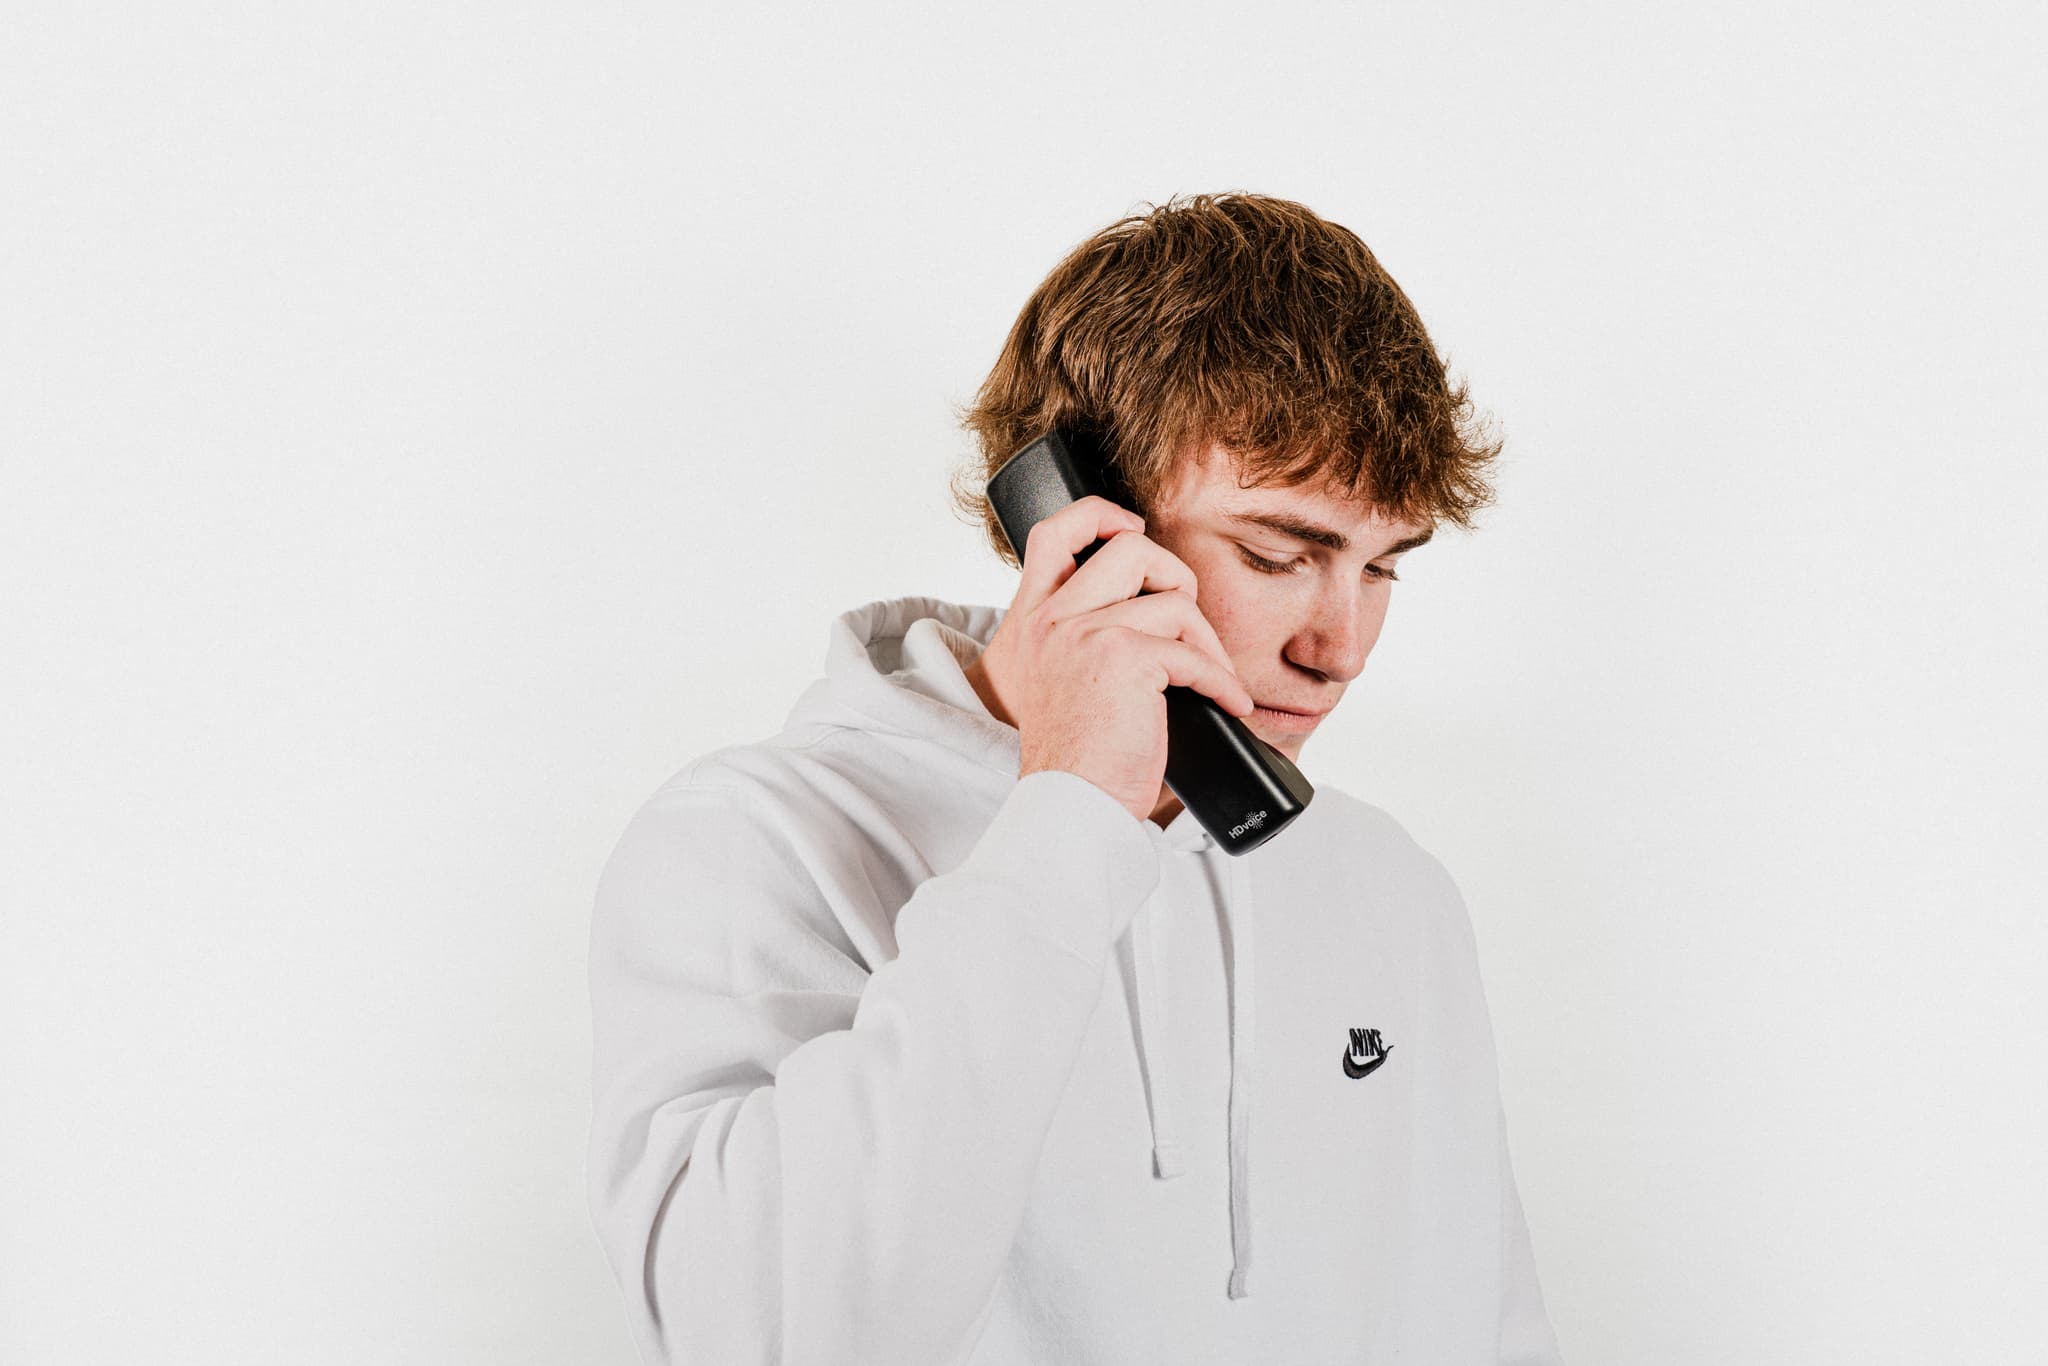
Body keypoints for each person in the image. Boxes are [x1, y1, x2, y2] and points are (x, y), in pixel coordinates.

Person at [585, 192, 1565, 1365]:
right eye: (1276, 552)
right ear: (1081, 526)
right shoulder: (749, 843)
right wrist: (1069, 816)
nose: (1339, 645)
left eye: (1380, 569)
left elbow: (1486, 1322)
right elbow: (773, 1330)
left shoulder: (1389, 887)